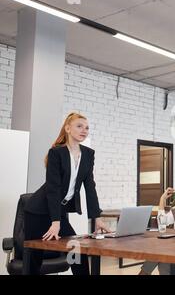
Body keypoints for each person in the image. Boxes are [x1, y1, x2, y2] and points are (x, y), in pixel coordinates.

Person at [24, 112, 110, 275]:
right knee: (34, 256)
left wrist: (97, 218)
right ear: (68, 128)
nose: (84, 130)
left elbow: (90, 187)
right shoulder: (56, 153)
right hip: (37, 212)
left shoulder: (88, 154)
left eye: (87, 128)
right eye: (79, 126)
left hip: (59, 212)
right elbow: (53, 189)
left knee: (76, 250)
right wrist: (55, 222)